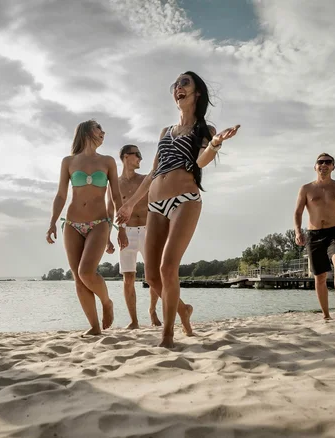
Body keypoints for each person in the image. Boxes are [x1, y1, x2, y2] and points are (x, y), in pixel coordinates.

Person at [116, 72, 240, 348]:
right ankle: (183, 310)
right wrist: (130, 202)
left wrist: (216, 143)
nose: (178, 88)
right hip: (154, 205)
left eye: (185, 83)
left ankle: (168, 335)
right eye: (176, 85)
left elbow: (202, 160)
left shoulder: (203, 130)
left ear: (197, 93)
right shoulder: (165, 132)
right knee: (150, 276)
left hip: (185, 200)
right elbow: (152, 172)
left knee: (168, 266)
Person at [47, 120, 124, 335]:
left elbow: (116, 196)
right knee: (77, 277)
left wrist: (121, 226)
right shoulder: (68, 161)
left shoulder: (108, 161)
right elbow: (61, 194)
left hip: (99, 223)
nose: (103, 133)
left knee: (86, 272)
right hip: (72, 223)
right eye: (100, 129)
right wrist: (52, 222)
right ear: (88, 131)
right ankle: (94, 327)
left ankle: (107, 302)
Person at [294, 153, 335, 320]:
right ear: (315, 167)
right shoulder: (306, 189)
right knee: (320, 277)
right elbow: (298, 212)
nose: (324, 164)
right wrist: (298, 231)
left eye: (328, 162)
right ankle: (326, 315)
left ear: (333, 167)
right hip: (313, 235)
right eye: (320, 162)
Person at [106, 145, 161, 329]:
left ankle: (152, 311)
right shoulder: (115, 184)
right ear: (126, 157)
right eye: (137, 154)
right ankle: (134, 321)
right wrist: (108, 237)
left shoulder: (145, 180)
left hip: (148, 230)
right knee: (128, 278)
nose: (140, 158)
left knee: (153, 275)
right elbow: (110, 211)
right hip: (126, 233)